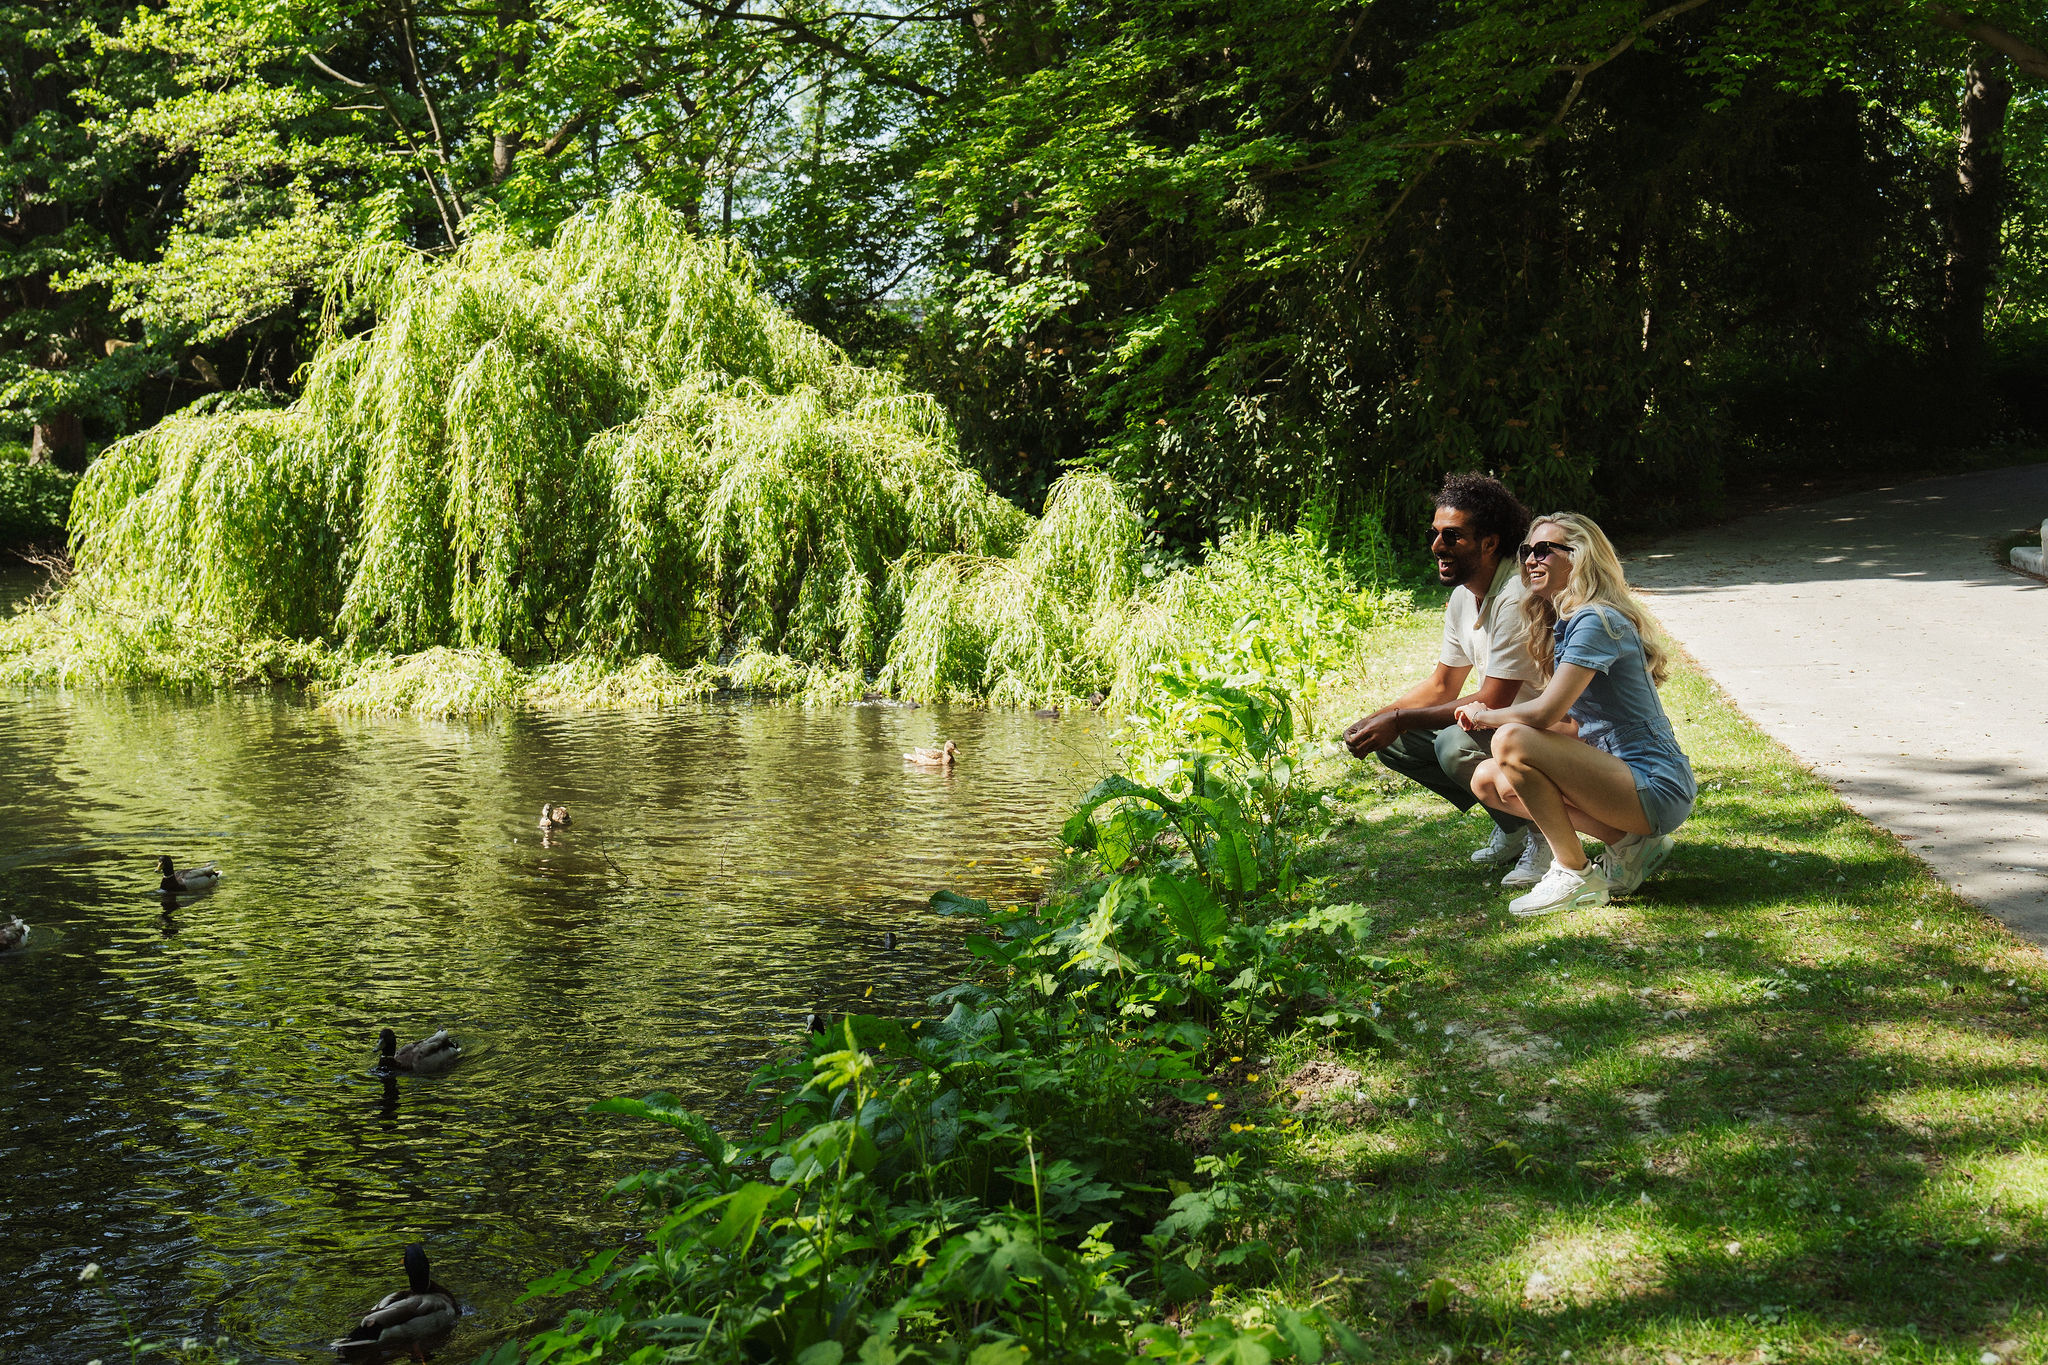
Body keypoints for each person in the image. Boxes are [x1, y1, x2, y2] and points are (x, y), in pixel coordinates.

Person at [1455, 510, 1697, 917]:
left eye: (1545, 550)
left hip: (1654, 783)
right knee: (1488, 781)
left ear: (1580, 556)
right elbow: (1572, 725)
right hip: (1618, 778)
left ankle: (1574, 873)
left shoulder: (1595, 619)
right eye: (1527, 550)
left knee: (1511, 739)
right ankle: (1629, 845)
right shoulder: (1564, 621)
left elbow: (1548, 712)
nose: (1531, 559)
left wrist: (1484, 715)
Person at [1342, 474, 1553, 888]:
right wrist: (1374, 721)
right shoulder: (1463, 596)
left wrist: (1400, 718)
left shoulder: (1515, 596)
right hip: (1503, 724)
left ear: (1490, 543)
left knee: (1451, 743)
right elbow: (1443, 685)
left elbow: (1491, 700)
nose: (1437, 546)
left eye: (1452, 536)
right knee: (1397, 742)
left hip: (1548, 728)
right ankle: (1512, 826)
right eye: (1435, 533)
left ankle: (1543, 835)